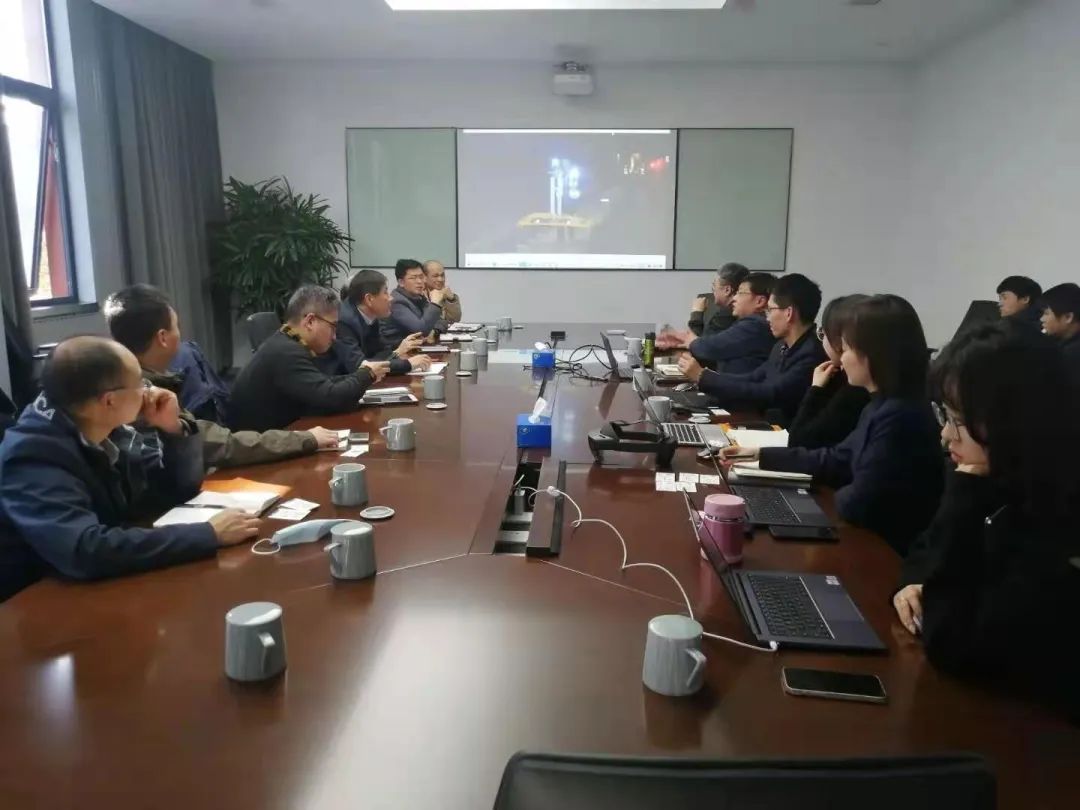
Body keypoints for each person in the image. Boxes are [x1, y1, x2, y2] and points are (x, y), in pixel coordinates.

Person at [893, 323, 1080, 720]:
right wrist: (911, 587)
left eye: (957, 421)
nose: (946, 436)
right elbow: (923, 551)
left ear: (1014, 419)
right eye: (944, 416)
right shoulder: (995, 474)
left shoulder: (1056, 512)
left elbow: (952, 643)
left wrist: (962, 499)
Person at [0, 337, 260, 601]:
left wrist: (172, 428)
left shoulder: (98, 423)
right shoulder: (32, 455)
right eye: (140, 383)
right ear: (109, 401)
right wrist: (208, 534)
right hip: (34, 600)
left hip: (94, 583)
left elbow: (169, 493)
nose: (149, 390)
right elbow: (85, 550)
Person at [725, 295, 944, 554]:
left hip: (882, 553)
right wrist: (762, 455)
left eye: (847, 348)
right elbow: (838, 458)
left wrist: (822, 504)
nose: (843, 358)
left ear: (875, 355)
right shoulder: (882, 405)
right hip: (865, 538)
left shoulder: (899, 416)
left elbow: (858, 502)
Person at [104, 285, 341, 468]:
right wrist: (304, 439)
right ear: (163, 338)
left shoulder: (121, 385)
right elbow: (221, 445)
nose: (181, 335)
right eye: (177, 326)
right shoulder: (146, 398)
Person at [228, 286, 389, 432]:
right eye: (333, 326)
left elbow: (323, 383)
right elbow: (331, 398)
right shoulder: (286, 353)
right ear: (310, 321)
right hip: (261, 448)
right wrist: (367, 374)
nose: (334, 336)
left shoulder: (288, 342)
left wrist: (362, 375)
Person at [676, 273, 827, 422]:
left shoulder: (811, 354)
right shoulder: (782, 346)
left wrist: (704, 377)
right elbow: (753, 378)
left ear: (788, 313)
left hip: (783, 431)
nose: (767, 317)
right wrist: (704, 376)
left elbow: (771, 393)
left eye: (770, 310)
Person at [787, 294, 872, 449]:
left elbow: (799, 440)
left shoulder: (855, 388)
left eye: (823, 334)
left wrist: (816, 389)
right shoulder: (837, 374)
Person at [333, 270, 432, 375]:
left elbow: (381, 353)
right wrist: (408, 364)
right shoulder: (344, 322)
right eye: (385, 292)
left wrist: (396, 354)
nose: (391, 298)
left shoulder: (371, 314)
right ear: (369, 299)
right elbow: (360, 366)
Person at [682, 272, 775, 374]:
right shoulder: (754, 323)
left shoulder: (755, 325)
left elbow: (711, 348)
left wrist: (690, 341)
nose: (734, 298)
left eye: (740, 293)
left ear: (760, 301)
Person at [656, 263, 749, 349]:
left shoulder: (725, 315)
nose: (713, 290)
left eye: (714, 285)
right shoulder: (747, 313)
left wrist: (696, 313)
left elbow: (702, 348)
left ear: (727, 290)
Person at [381, 259, 448, 346]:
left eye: (421, 277)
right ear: (401, 282)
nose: (419, 281)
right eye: (413, 278)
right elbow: (420, 330)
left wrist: (434, 331)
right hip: (397, 351)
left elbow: (441, 321)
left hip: (417, 348)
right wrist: (435, 303)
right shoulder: (397, 302)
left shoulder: (418, 297)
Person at [1039, 282, 1080, 392]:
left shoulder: (1070, 356)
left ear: (1068, 317)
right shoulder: (1057, 341)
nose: (1042, 319)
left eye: (1046, 313)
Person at [424, 260, 462, 324]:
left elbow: (455, 320)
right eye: (435, 276)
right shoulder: (418, 295)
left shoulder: (444, 293)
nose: (440, 279)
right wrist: (435, 302)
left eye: (442, 275)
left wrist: (452, 300)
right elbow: (427, 322)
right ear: (425, 277)